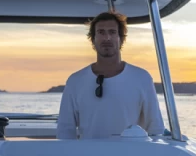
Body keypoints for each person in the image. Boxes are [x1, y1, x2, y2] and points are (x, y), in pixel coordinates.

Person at [56, 11, 165, 139]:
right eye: (101, 32)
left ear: (121, 38)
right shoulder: (76, 81)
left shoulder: (141, 78)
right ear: (93, 39)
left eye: (112, 32)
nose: (107, 38)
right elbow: (65, 129)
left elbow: (155, 127)